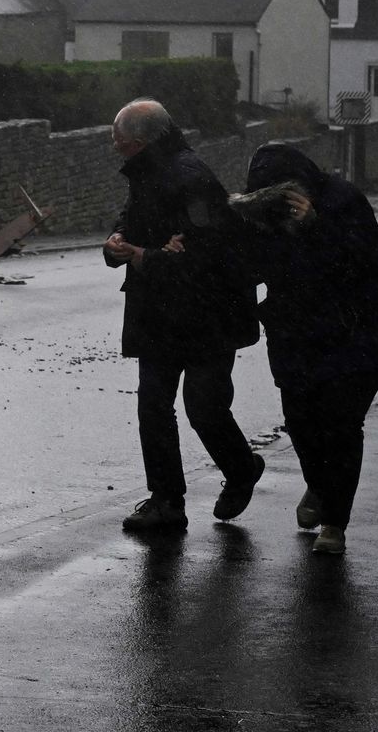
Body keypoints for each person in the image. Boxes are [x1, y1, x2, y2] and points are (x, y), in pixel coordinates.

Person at [229, 143, 378, 556]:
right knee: (301, 420)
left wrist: (315, 224)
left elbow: (364, 256)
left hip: (356, 330)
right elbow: (252, 267)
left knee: (340, 425)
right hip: (296, 333)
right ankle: (322, 487)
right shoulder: (264, 216)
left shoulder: (343, 199)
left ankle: (334, 523)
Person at [102, 99, 262, 532]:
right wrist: (117, 242)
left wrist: (143, 256)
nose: (117, 151)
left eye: (121, 144)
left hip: (210, 315)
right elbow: (134, 219)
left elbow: (206, 255)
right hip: (160, 313)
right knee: (154, 405)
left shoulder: (191, 179)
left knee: (203, 407)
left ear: (140, 142)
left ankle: (243, 468)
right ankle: (167, 501)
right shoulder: (149, 173)